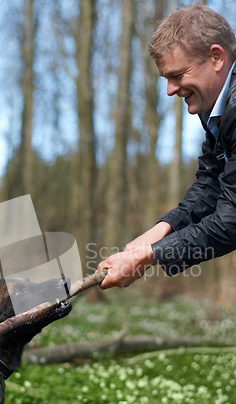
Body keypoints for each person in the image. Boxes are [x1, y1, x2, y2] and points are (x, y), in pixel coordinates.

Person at [98, 3, 236, 289]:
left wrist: (149, 256)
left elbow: (231, 221)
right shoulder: (215, 107)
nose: (171, 90)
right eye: (166, 79)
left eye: (177, 75)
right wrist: (158, 232)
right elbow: (211, 183)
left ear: (216, 57)